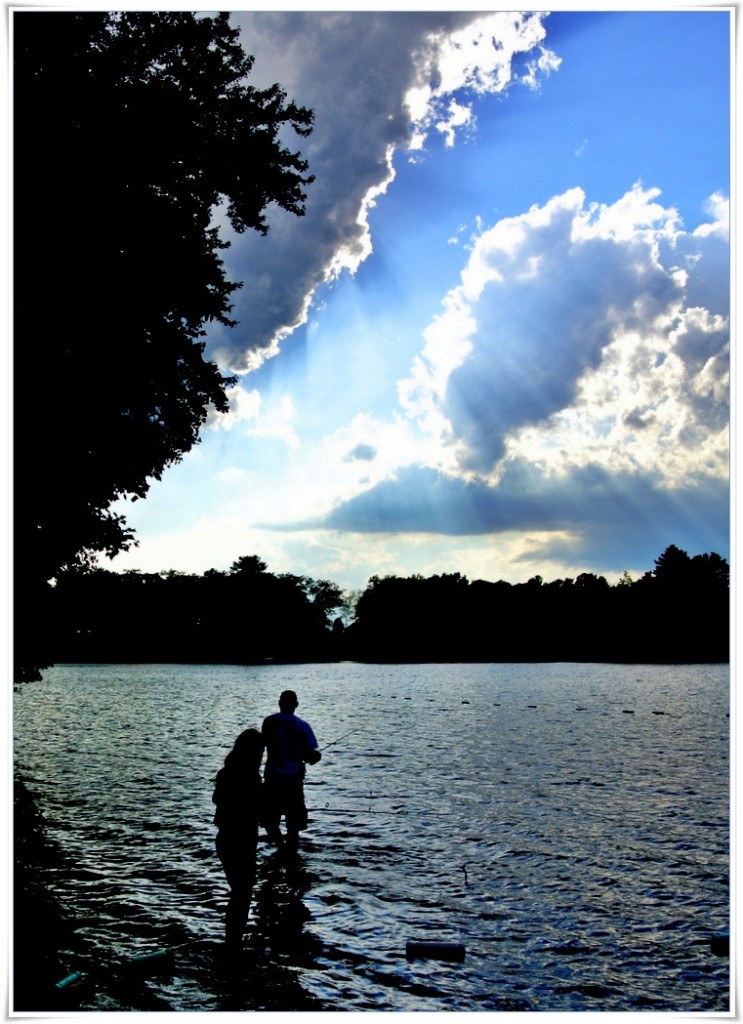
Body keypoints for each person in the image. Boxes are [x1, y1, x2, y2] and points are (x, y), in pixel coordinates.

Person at [212, 728, 265, 947]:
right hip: (242, 840)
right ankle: (234, 943)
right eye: (261, 752)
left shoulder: (227, 772)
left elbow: (217, 799)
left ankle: (232, 941)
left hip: (224, 839)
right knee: (243, 893)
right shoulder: (252, 776)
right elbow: (259, 809)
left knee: (240, 892)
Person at [261, 690, 321, 846]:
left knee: (269, 821)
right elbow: (310, 757)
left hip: (272, 778)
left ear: (280, 703)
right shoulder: (303, 726)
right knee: (293, 824)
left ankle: (281, 847)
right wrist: (316, 756)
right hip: (293, 781)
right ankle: (291, 854)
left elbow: (264, 745)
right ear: (296, 705)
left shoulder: (269, 722)